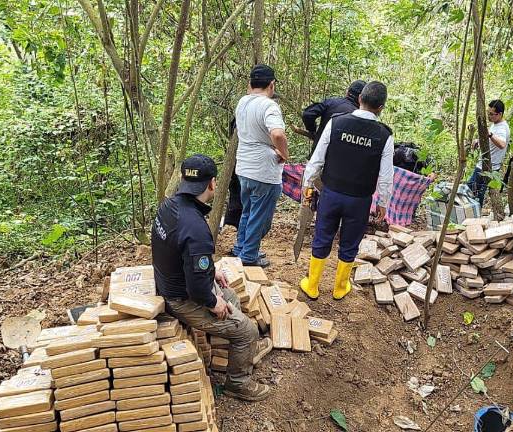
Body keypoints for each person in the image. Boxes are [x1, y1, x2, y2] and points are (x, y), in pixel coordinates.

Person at [151, 154, 273, 402]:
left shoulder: (169, 206)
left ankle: (236, 352)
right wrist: (211, 301)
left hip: (171, 281)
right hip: (181, 297)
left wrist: (210, 271)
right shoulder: (196, 228)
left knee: (231, 297)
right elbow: (197, 287)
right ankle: (237, 383)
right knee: (248, 330)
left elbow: (179, 252)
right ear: (213, 184)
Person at [300, 81, 394, 300]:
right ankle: (340, 287)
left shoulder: (336, 123)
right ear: (381, 107)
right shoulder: (384, 136)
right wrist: (382, 203)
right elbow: (386, 175)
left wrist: (307, 184)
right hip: (360, 200)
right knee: (350, 241)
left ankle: (312, 284)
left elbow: (317, 159)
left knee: (322, 235)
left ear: (359, 99)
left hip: (331, 193)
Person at [230, 64, 289, 267]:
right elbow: (278, 133)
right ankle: (249, 256)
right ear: (271, 84)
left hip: (244, 167)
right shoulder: (269, 105)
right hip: (263, 171)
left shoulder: (242, 102)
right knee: (259, 216)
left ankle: (241, 247)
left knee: (248, 210)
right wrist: (284, 152)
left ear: (250, 84)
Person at [301, 80, 367, 155]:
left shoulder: (331, 103)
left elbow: (308, 114)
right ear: (362, 98)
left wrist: (312, 130)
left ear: (347, 92)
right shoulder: (361, 116)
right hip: (340, 160)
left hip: (318, 154)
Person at [467, 100, 511, 208]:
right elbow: (490, 140)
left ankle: (474, 217)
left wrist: (490, 134)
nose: (489, 116)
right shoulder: (495, 124)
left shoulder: (502, 128)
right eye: (488, 113)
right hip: (484, 164)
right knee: (475, 193)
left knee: (471, 192)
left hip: (486, 166)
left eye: (491, 114)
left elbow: (502, 144)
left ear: (500, 114)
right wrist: (479, 140)